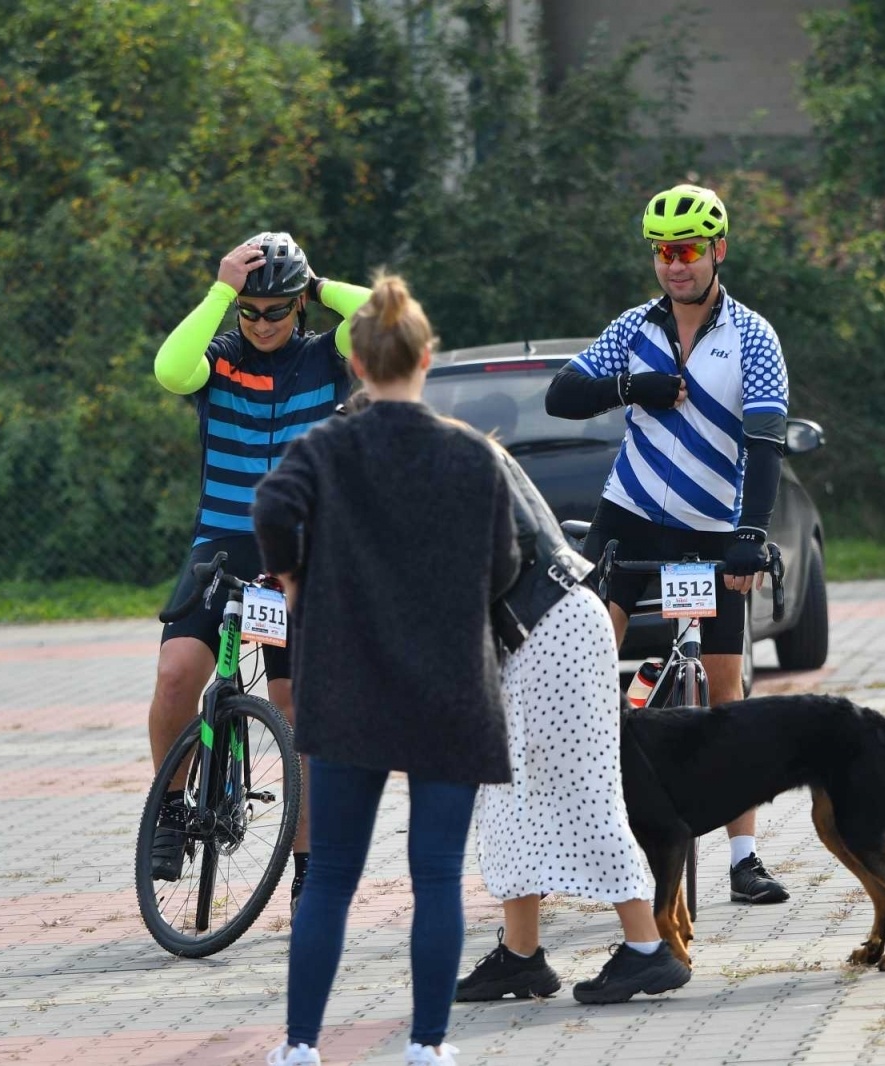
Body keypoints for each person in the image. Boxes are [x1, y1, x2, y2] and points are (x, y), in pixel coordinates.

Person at [254, 274, 519, 1066]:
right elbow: (505, 565)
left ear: (359, 365)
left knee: (332, 873)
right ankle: (427, 1046)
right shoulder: (474, 456)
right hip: (449, 688)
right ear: (426, 358)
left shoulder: (324, 448)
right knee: (436, 875)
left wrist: (293, 578)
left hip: (347, 683)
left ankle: (301, 1045)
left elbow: (271, 508)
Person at [544, 182, 793, 905]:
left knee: (724, 690)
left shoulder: (753, 336)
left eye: (687, 251)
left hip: (714, 527)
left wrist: (750, 534)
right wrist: (632, 386)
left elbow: (767, 444)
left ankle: (743, 857)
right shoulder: (634, 327)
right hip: (629, 517)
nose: (674, 265)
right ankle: (584, 835)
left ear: (718, 250)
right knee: (586, 668)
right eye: (662, 253)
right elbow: (563, 395)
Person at [147, 232, 371, 914]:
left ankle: (307, 868)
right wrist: (220, 289)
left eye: (278, 309)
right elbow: (168, 370)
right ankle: (171, 809)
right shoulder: (219, 358)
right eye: (251, 310)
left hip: (303, 550)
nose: (265, 323)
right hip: (223, 542)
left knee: (294, 708)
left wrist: (321, 284)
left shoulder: (323, 358)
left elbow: (389, 314)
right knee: (178, 673)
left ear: (298, 308)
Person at [453, 428, 693, 1004]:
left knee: (581, 794)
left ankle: (647, 950)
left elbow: (490, 563)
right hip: (544, 629)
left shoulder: (441, 465)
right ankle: (521, 955)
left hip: (549, 630)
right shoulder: (447, 452)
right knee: (510, 792)